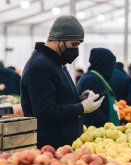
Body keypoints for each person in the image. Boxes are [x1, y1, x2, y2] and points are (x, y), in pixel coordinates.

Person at [21, 16, 104, 149]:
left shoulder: (56, 63)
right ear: (58, 40)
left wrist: (79, 99)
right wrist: (81, 107)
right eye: (73, 44)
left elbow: (58, 100)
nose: (76, 50)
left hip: (63, 147)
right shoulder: (40, 66)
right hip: (51, 150)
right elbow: (45, 114)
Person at [78, 48, 120, 127]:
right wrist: (106, 125)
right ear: (103, 64)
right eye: (111, 65)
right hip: (96, 131)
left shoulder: (95, 77)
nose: (112, 69)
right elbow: (93, 111)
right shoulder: (91, 81)